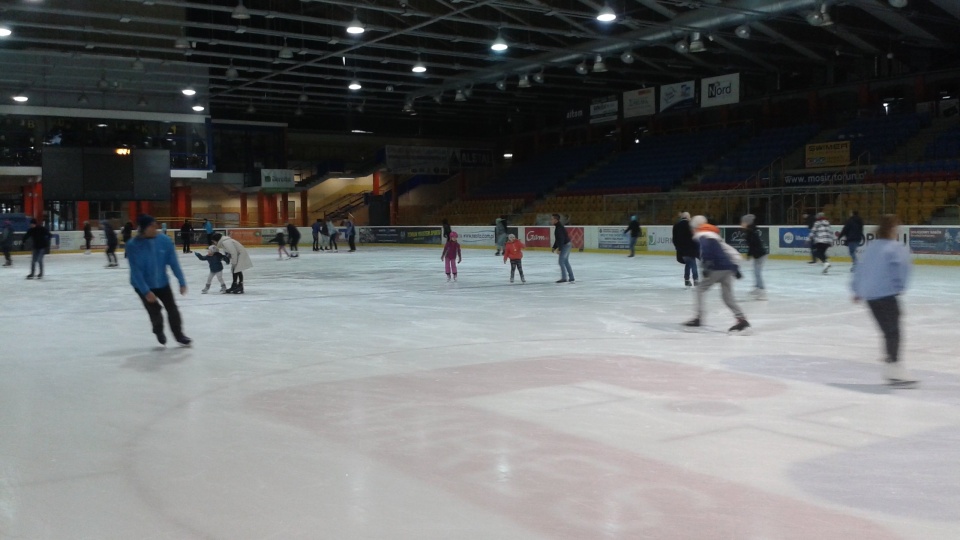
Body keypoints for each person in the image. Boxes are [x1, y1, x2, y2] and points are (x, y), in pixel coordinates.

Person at [852, 215, 915, 387]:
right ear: (892, 229)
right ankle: (893, 368)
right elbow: (903, 269)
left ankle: (891, 364)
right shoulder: (895, 248)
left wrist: (857, 289)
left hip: (871, 297)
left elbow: (860, 268)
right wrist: (899, 286)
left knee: (888, 331)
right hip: (885, 295)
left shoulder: (871, 246)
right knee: (893, 331)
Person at [126, 214, 191, 346]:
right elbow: (136, 271)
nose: (156, 227)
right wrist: (146, 291)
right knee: (155, 310)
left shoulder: (165, 241)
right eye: (152, 225)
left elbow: (174, 263)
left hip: (162, 283)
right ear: (144, 228)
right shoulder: (133, 245)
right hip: (142, 285)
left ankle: (179, 335)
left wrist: (182, 281)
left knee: (172, 309)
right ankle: (158, 330)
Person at [684, 216, 750, 333]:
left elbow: (706, 251)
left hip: (716, 268)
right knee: (727, 297)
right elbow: (732, 252)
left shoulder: (703, 235)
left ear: (695, 227)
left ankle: (698, 318)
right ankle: (741, 319)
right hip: (727, 268)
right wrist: (735, 269)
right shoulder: (714, 236)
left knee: (699, 289)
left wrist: (707, 266)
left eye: (692, 228)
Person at [741, 214, 767, 301]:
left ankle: (762, 291)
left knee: (757, 273)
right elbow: (751, 245)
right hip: (758, 255)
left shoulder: (751, 232)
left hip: (760, 255)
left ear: (747, 223)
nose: (741, 224)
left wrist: (749, 255)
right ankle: (757, 288)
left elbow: (753, 245)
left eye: (743, 222)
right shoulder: (750, 231)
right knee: (755, 272)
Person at [672, 212, 699, 287]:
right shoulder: (691, 225)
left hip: (681, 250)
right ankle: (696, 280)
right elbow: (695, 237)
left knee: (688, 264)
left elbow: (674, 239)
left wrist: (678, 248)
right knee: (693, 264)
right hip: (690, 248)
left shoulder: (676, 225)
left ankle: (687, 280)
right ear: (687, 217)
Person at [551, 213, 575, 284]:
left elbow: (561, 239)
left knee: (561, 261)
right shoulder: (558, 227)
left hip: (565, 245)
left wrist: (560, 249)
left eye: (552, 219)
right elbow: (558, 239)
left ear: (556, 220)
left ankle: (564, 278)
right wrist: (554, 247)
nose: (551, 220)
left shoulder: (559, 228)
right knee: (565, 261)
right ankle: (571, 277)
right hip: (567, 244)